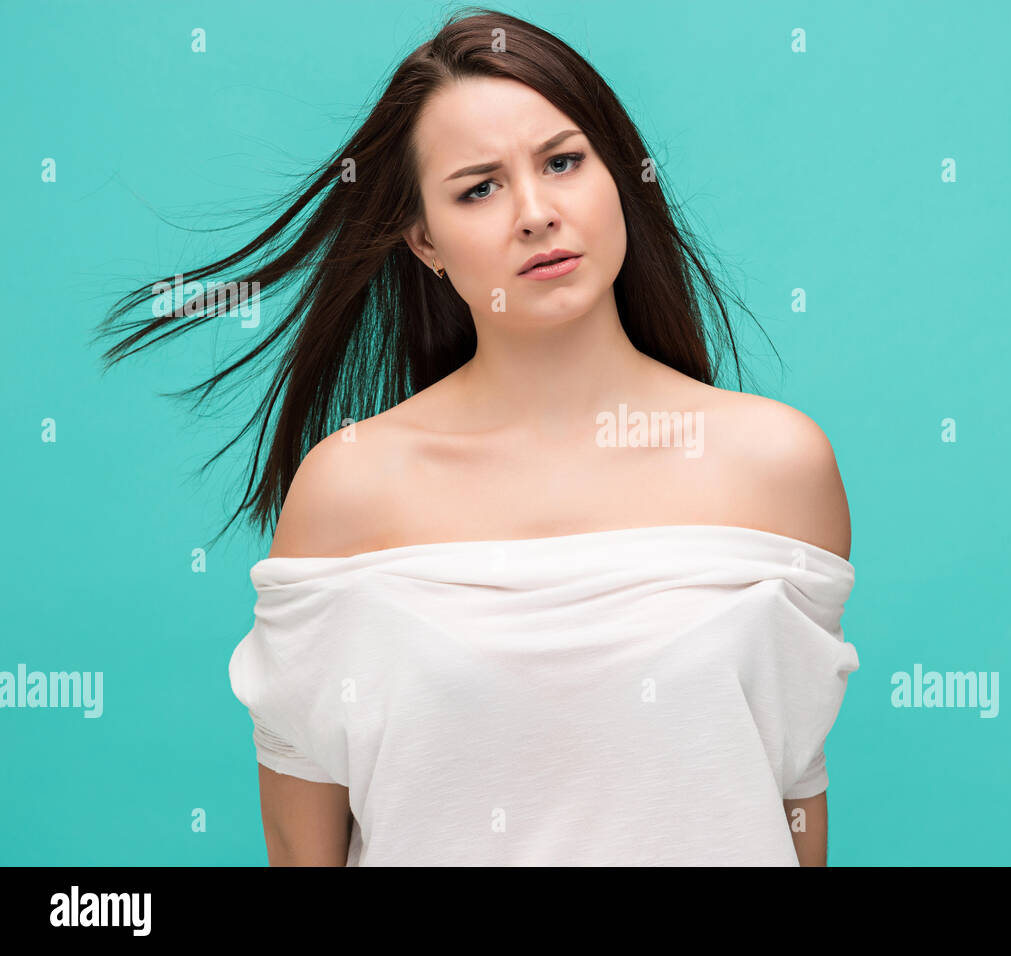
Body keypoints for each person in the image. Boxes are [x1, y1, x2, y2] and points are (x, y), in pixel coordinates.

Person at [95, 7, 858, 866]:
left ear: (621, 178)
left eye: (565, 162)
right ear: (424, 240)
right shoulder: (349, 489)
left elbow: (790, 805)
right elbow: (301, 847)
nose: (535, 213)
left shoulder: (777, 466)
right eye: (479, 188)